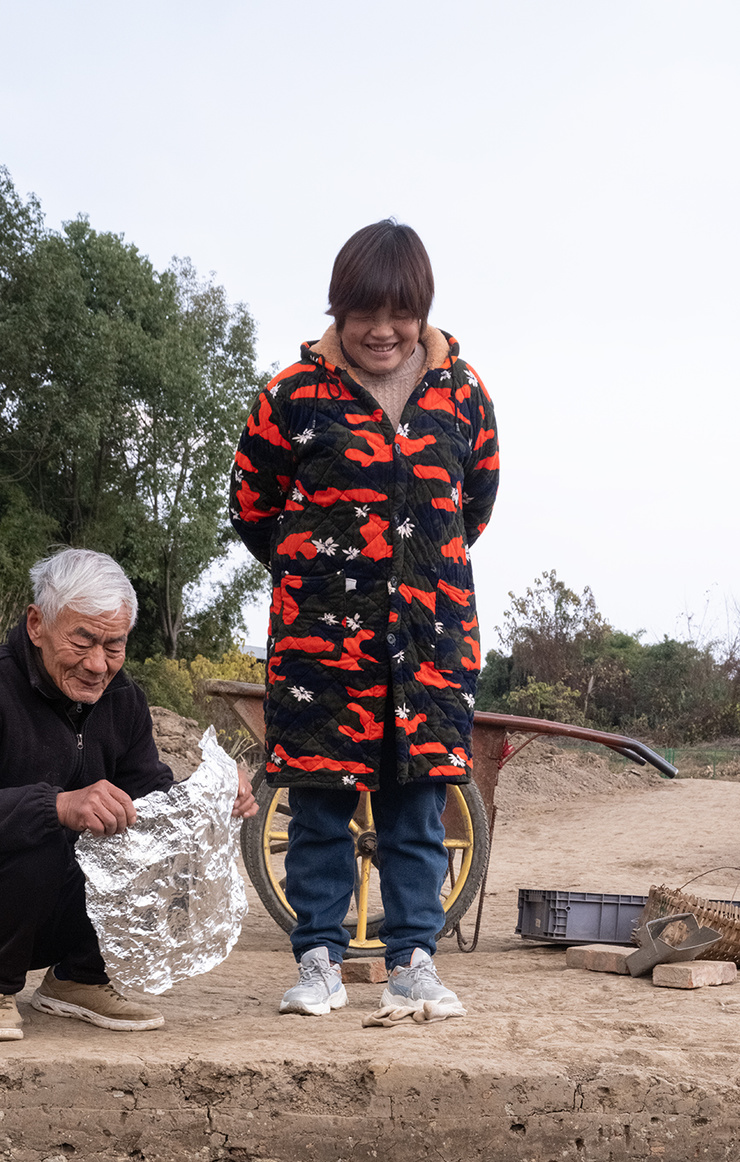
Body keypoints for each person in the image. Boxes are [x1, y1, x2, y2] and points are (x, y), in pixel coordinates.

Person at [228, 218, 500, 1024]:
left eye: (400, 313)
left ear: (422, 312)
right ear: (337, 310)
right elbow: (252, 507)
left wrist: (411, 573)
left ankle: (415, 963)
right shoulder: (291, 395)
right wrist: (323, 576)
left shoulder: (464, 395)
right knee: (319, 808)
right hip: (321, 649)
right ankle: (318, 961)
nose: (382, 330)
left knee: (419, 811)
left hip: (431, 643)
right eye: (363, 313)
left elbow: (474, 507)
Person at [0, 546, 256, 1044]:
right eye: (83, 641)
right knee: (42, 826)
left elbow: (151, 800)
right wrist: (59, 805)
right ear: (36, 625)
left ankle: (79, 977)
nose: (97, 664)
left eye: (114, 646)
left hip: (58, 897)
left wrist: (213, 796)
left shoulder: (124, 699)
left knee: (172, 839)